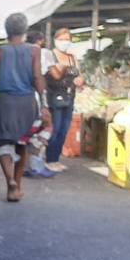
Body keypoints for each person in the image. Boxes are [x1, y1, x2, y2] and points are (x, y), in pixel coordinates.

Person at [0, 13, 47, 203]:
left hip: (5, 102)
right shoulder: (35, 50)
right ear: (25, 30)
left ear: (7, 31)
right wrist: (45, 103)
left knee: (3, 143)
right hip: (26, 102)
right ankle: (16, 186)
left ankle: (10, 181)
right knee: (21, 143)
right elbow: (37, 77)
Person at [42, 27, 83, 171]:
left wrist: (79, 80)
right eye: (62, 39)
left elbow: (78, 75)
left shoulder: (72, 57)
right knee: (55, 128)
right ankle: (49, 159)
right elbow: (54, 75)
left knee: (64, 129)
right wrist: (64, 69)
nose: (65, 42)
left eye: (67, 39)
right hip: (54, 97)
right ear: (55, 40)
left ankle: (56, 158)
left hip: (69, 97)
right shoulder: (50, 55)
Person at [22, 31, 55, 180]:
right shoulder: (44, 53)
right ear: (41, 40)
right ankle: (36, 166)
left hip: (19, 98)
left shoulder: (18, 53)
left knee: (26, 133)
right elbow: (49, 75)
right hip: (35, 96)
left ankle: (24, 167)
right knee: (46, 127)